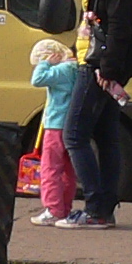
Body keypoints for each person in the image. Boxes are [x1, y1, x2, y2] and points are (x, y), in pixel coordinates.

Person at [60, 0, 132, 230]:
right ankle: (104, 207)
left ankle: (96, 207)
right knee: (106, 136)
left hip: (98, 67)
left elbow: (120, 26)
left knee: (74, 134)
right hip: (97, 63)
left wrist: (107, 68)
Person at [26, 37, 89, 226]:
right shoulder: (76, 70)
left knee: (50, 168)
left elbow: (37, 80)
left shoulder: (60, 70)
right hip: (71, 124)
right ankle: (64, 207)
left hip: (55, 125)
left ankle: (53, 209)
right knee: (68, 170)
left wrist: (45, 63)